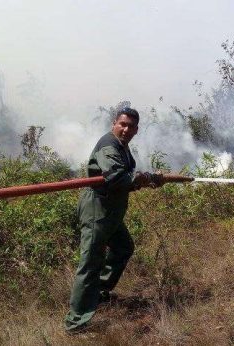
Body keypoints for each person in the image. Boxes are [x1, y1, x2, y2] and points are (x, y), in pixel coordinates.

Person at [64, 107, 163, 332]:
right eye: (123, 124)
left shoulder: (122, 147)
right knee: (90, 263)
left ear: (137, 130)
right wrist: (143, 180)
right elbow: (116, 176)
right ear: (114, 124)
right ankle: (75, 323)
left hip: (112, 211)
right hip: (97, 210)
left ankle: (98, 293)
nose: (126, 129)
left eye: (131, 126)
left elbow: (126, 176)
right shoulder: (108, 145)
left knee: (123, 247)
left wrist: (145, 178)